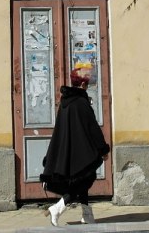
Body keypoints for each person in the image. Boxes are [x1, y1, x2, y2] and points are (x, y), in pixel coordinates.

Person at [40, 67, 110, 226]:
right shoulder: (81, 102)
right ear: (84, 84)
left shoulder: (66, 102)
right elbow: (92, 127)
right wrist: (102, 149)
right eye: (88, 82)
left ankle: (87, 214)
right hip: (81, 152)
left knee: (81, 179)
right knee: (85, 180)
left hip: (69, 152)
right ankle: (58, 208)